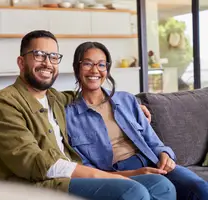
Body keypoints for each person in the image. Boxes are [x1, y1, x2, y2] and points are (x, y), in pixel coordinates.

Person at [0, 30, 176, 200]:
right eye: (39, 55)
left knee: (161, 185)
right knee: (132, 192)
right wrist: (112, 176)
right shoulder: (4, 102)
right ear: (21, 62)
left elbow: (94, 96)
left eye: (53, 56)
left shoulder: (55, 99)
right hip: (38, 185)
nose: (47, 63)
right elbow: (33, 163)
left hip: (70, 178)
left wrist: (136, 105)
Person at [65, 41, 208, 200]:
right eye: (87, 64)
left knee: (199, 188)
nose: (95, 70)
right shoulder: (68, 115)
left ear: (107, 69)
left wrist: (164, 154)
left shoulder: (127, 100)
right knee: (161, 188)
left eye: (101, 64)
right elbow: (85, 167)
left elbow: (153, 141)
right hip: (117, 173)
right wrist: (133, 173)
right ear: (76, 68)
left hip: (152, 160)